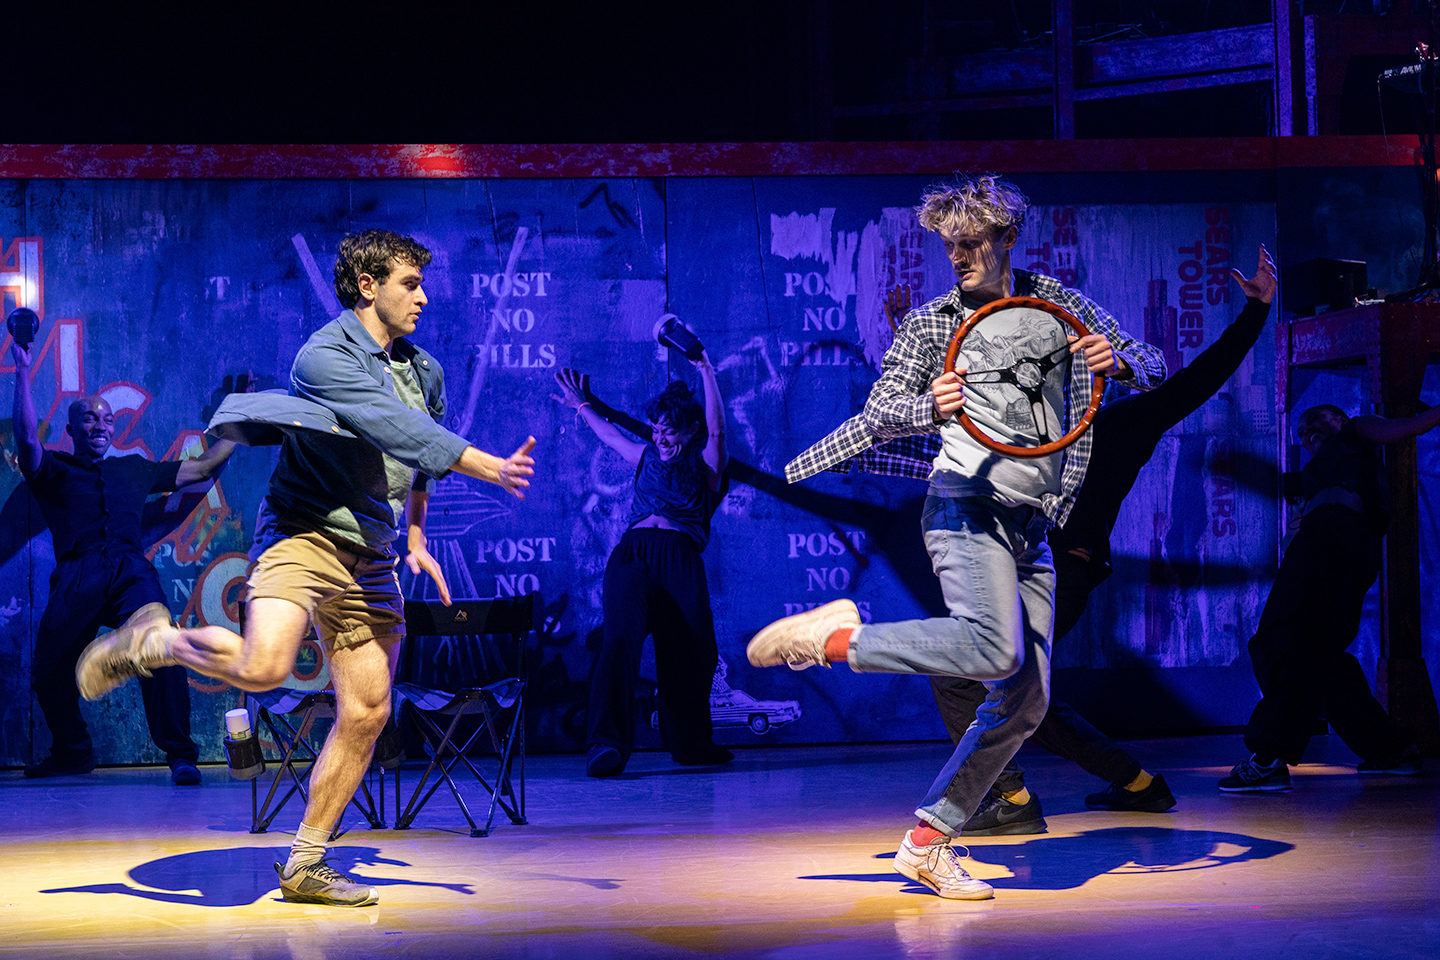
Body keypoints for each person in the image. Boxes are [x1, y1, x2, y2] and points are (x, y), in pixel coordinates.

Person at [74, 229, 537, 907]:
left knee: (369, 709)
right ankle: (157, 640)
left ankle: (305, 863)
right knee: (265, 668)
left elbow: (417, 460)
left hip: (372, 552)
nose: (423, 297)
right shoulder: (322, 357)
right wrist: (488, 465)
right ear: (368, 286)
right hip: (304, 534)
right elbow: (397, 428)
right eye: (410, 284)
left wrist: (414, 535)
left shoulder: (425, 371)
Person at [746, 173, 1165, 900]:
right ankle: (834, 641)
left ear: (1008, 238)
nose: (959, 257)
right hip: (964, 506)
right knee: (993, 651)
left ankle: (928, 842)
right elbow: (881, 410)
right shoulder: (933, 323)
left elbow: (1154, 363)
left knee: (1026, 701)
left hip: (1032, 525)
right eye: (949, 246)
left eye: (971, 243)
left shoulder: (1058, 307)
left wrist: (1120, 361)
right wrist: (926, 406)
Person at [928, 245, 1277, 833]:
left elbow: (1193, 383)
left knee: (976, 677)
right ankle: (1133, 784)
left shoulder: (1116, 427)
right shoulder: (1015, 434)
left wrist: (1255, 313)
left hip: (1064, 571)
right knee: (1005, 688)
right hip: (1020, 568)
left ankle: (1014, 797)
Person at [10, 348, 240, 784]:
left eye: (107, 419)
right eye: (89, 419)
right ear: (71, 429)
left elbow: (202, 468)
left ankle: (181, 755)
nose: (100, 425)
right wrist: (23, 369)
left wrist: (238, 422)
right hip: (76, 576)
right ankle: (73, 752)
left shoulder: (135, 468)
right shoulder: (53, 469)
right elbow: (26, 440)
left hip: (131, 571)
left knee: (162, 649)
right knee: (48, 673)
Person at [1219, 400, 1437, 791]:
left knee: (1288, 644)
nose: (1307, 433)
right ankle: (1392, 750)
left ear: (1339, 418)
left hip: (1335, 539)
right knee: (1322, 659)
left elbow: (1409, 425)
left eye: (1314, 421)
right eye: (1301, 432)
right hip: (1323, 544)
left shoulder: (1355, 433)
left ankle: (1269, 756)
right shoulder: (1312, 475)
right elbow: (1295, 530)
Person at [553, 352, 733, 777]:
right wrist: (582, 405)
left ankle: (690, 744)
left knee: (692, 650)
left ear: (691, 430)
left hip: (680, 559)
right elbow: (608, 435)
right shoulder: (647, 456)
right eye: (656, 429)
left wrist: (705, 368)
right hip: (633, 555)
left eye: (669, 430)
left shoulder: (707, 465)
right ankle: (605, 745)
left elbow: (718, 430)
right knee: (618, 642)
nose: (660, 438)